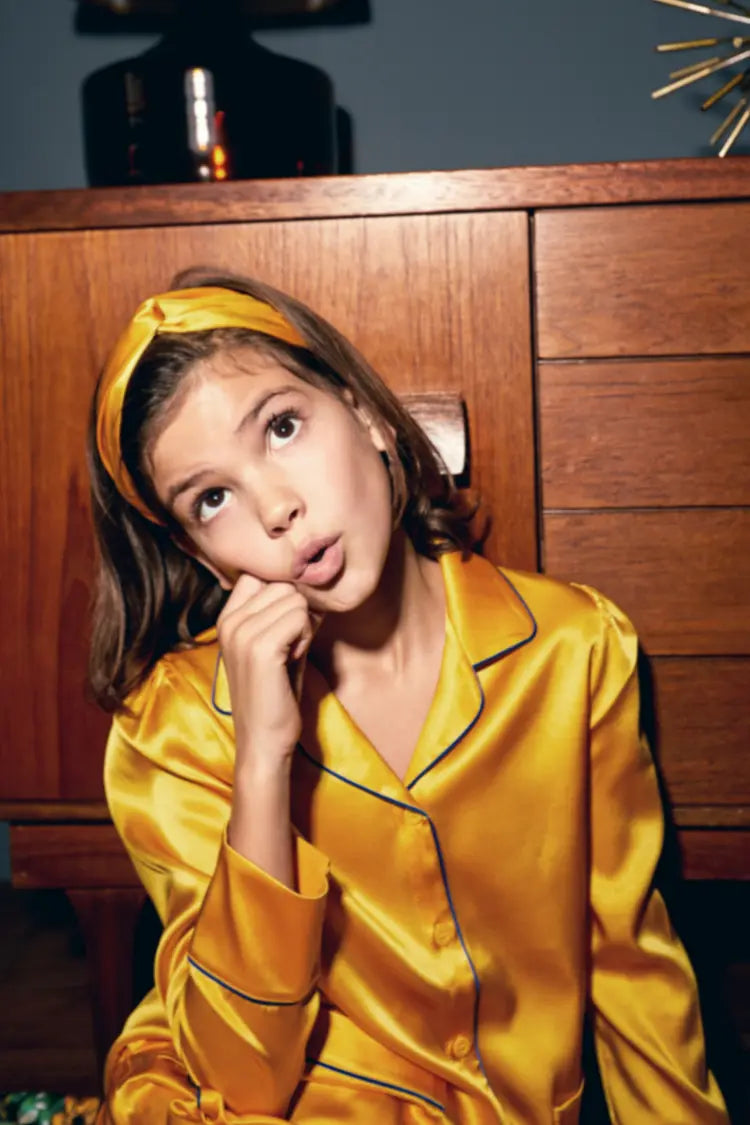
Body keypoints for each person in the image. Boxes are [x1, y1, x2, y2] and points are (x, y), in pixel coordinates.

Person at [88, 266, 728, 1125]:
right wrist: (263, 763)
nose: (275, 508)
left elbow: (632, 964)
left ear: (367, 415)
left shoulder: (574, 647)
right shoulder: (169, 722)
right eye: (212, 498)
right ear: (202, 556)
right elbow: (240, 1077)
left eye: (282, 426)